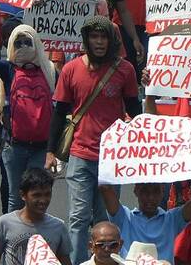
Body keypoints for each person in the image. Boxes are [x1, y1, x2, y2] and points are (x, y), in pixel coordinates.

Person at [46, 16, 140, 265]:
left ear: (111, 40)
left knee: (104, 219)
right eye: (94, 37)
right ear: (86, 40)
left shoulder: (125, 70)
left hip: (112, 159)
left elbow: (136, 110)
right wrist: (50, 152)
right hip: (80, 154)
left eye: (103, 37)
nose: (99, 42)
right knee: (77, 217)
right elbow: (59, 112)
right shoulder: (70, 69)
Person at [0, 24, 56, 212]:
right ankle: (14, 238)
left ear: (36, 43)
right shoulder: (9, 70)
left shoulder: (50, 71)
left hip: (41, 146)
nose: (23, 46)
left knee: (37, 193)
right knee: (15, 197)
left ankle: (33, 236)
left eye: (27, 42)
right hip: (14, 145)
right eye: (18, 42)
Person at [99, 171, 191, 262]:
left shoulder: (172, 219)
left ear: (162, 192)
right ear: (136, 191)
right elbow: (105, 188)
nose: (150, 197)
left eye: (156, 192)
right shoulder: (124, 217)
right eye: (145, 191)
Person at [0, 167, 72, 265]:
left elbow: (65, 260)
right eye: (36, 195)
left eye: (47, 194)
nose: (43, 200)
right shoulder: (5, 223)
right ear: (23, 195)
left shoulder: (58, 227)